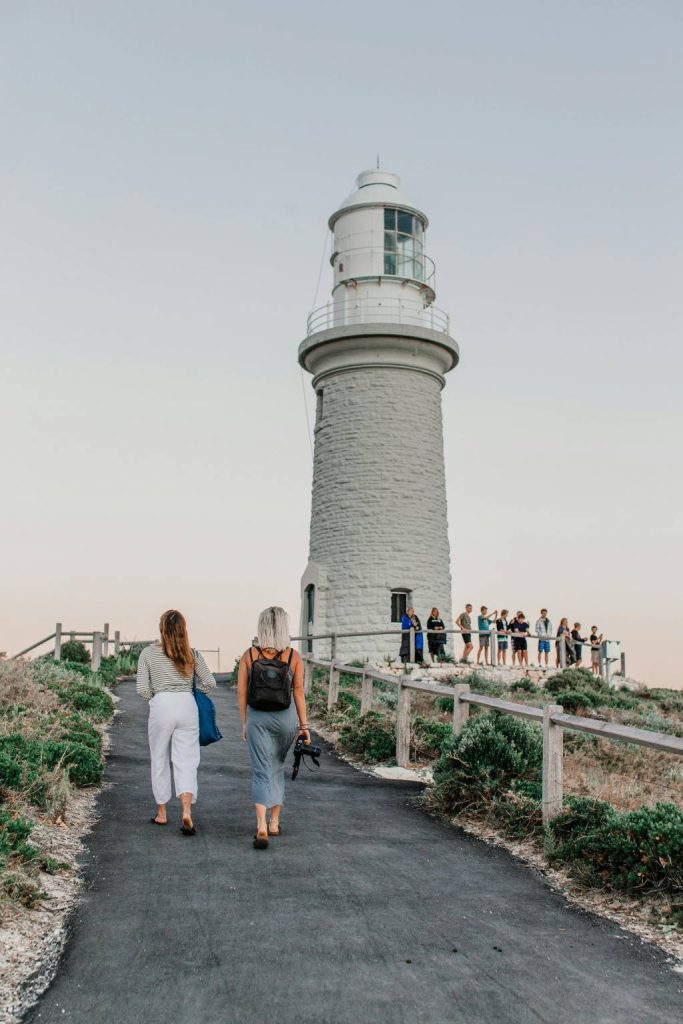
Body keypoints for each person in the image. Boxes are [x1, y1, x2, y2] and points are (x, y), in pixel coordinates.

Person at [136, 609, 216, 836]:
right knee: (187, 759)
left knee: (159, 757)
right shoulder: (192, 654)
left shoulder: (148, 654)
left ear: (161, 628)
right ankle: (187, 811)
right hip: (187, 705)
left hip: (161, 704)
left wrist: (155, 699)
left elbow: (142, 689)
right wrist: (193, 693)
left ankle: (161, 812)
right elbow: (209, 682)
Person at [237, 607, 310, 850]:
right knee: (277, 767)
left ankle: (260, 825)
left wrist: (245, 721)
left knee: (260, 771)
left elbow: (241, 693)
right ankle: (275, 822)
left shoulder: (249, 655)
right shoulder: (293, 656)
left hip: (258, 717)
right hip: (286, 718)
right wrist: (304, 726)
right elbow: (298, 692)